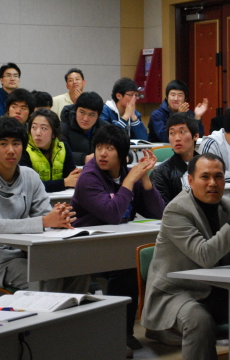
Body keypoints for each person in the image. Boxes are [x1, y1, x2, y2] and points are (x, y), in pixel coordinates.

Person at [141, 153, 230, 360]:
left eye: (218, 176)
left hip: (218, 290)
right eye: (205, 177)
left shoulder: (228, 207)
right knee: (198, 320)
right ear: (190, 180)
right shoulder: (176, 210)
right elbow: (205, 256)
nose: (212, 183)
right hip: (177, 292)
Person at [0, 117, 89, 294]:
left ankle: (70, 311)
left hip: (26, 253)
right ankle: (48, 312)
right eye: (3, 144)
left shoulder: (29, 176)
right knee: (47, 276)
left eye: (16, 144)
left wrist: (59, 218)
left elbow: (45, 214)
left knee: (78, 269)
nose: (11, 150)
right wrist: (45, 221)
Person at [71, 124, 165, 354]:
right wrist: (130, 180)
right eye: (99, 147)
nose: (102, 153)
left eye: (110, 148)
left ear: (122, 155)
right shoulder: (89, 177)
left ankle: (124, 332)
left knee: (130, 265)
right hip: (84, 247)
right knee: (124, 267)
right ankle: (115, 334)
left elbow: (159, 212)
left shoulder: (127, 173)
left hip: (115, 245)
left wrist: (144, 178)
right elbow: (112, 214)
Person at [19, 108, 81, 192]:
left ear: (54, 133)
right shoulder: (23, 149)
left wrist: (76, 176)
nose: (37, 133)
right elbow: (29, 185)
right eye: (34, 127)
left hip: (60, 198)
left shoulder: (63, 148)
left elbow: (72, 179)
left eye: (44, 128)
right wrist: (64, 183)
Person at [150, 112, 200, 204]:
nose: (177, 138)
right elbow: (162, 208)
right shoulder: (161, 172)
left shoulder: (208, 166)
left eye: (182, 132)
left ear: (195, 136)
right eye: (172, 133)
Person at [0, 88, 35, 163]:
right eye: (14, 107)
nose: (18, 111)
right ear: (8, 109)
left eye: (23, 108)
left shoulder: (31, 129)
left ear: (30, 113)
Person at [60, 91, 108, 165]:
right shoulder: (63, 128)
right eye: (82, 112)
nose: (85, 119)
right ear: (76, 111)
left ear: (98, 116)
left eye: (91, 115)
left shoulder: (104, 128)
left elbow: (118, 150)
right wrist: (84, 158)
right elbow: (60, 153)